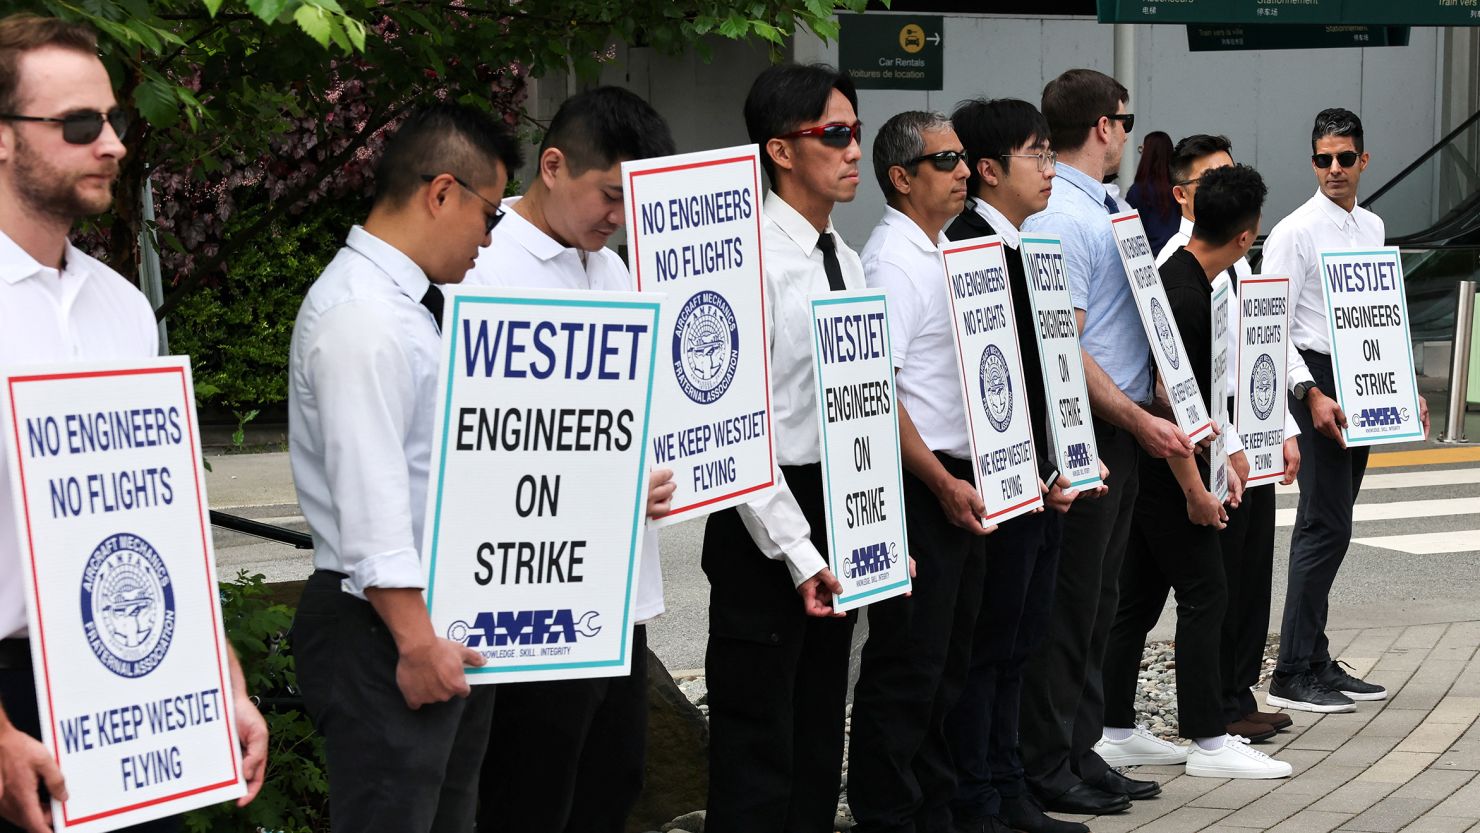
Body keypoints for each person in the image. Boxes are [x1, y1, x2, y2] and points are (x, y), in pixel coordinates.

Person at [0, 14, 267, 833]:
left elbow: (156, 518)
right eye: (82, 125)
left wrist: (218, 674)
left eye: (112, 119)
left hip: (126, 682)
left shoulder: (123, 309)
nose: (113, 143)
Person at [287, 102, 522, 833]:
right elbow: (372, 497)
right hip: (384, 626)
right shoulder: (362, 315)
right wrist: (416, 641)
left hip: (430, 621)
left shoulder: (416, 304)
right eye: (491, 213)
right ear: (442, 192)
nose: (490, 237)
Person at [465, 85, 677, 833]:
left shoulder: (613, 272)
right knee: (529, 791)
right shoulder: (482, 269)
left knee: (612, 780)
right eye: (610, 196)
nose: (619, 219)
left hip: (615, 592)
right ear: (552, 165)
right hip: (528, 596)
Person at [1016, 68, 1193, 816]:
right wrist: (1133, 417)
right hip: (1088, 427)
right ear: (1103, 126)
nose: (1127, 130)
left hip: (1118, 423)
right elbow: (1067, 347)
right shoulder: (1064, 216)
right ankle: (1048, 757)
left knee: (1097, 599)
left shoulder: (1105, 207)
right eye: (1126, 118)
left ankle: (1078, 746)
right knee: (1071, 603)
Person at [698, 63, 864, 833]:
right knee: (757, 739)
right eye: (834, 134)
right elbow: (737, 428)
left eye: (856, 131)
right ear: (780, 150)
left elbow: (860, 405)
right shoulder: (745, 261)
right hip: (762, 522)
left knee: (818, 726)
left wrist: (874, 528)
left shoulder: (846, 259)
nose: (853, 148)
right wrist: (799, 551)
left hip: (836, 504)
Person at [941, 97, 1104, 833]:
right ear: (987, 169)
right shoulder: (969, 246)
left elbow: (1049, 369)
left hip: (1039, 477)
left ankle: (1008, 785)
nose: (1049, 168)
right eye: (1036, 154)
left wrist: (1061, 458)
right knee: (989, 645)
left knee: (1019, 642)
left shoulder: (1026, 246)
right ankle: (979, 792)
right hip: (993, 482)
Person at [1099, 164, 1293, 780]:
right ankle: (1210, 740)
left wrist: (1229, 450)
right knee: (1207, 593)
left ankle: (1113, 730)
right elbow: (1168, 400)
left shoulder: (1184, 277)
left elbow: (1196, 397)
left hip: (1164, 463)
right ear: (1246, 236)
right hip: (1168, 471)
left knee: (1138, 600)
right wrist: (1195, 492)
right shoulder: (1187, 294)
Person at [849, 110, 990, 833]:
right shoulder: (892, 261)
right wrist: (939, 481)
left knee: (947, 664)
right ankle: (889, 814)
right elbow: (881, 394)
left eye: (964, 157)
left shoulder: (937, 248)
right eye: (946, 160)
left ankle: (933, 807)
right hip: (923, 482)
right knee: (908, 665)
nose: (965, 170)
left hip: (959, 478)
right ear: (903, 178)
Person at [1263, 108, 1428, 714]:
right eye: (1323, 159)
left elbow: (1380, 312)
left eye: (1344, 157)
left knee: (1337, 524)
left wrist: (1402, 390)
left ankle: (1315, 657)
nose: (1334, 168)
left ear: (1364, 160)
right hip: (1315, 382)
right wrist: (1310, 393)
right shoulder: (1294, 231)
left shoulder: (1373, 226)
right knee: (1322, 524)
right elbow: (1271, 326)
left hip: (1362, 378)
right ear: (1312, 163)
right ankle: (1290, 671)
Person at [1154, 135, 1302, 738]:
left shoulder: (1240, 263)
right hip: (1217, 436)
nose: (1223, 186)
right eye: (1212, 178)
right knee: (1215, 579)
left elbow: (1268, 345)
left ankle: (1235, 694)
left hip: (1253, 427)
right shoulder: (1185, 272)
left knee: (1249, 574)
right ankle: (1217, 709)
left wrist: (1287, 425)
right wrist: (1226, 448)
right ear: (1185, 194)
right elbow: (1190, 382)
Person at [1125, 130, 1177, 255]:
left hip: (1150, 261)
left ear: (1147, 154)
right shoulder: (1180, 190)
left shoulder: (1138, 191)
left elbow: (1128, 235)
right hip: (1179, 257)